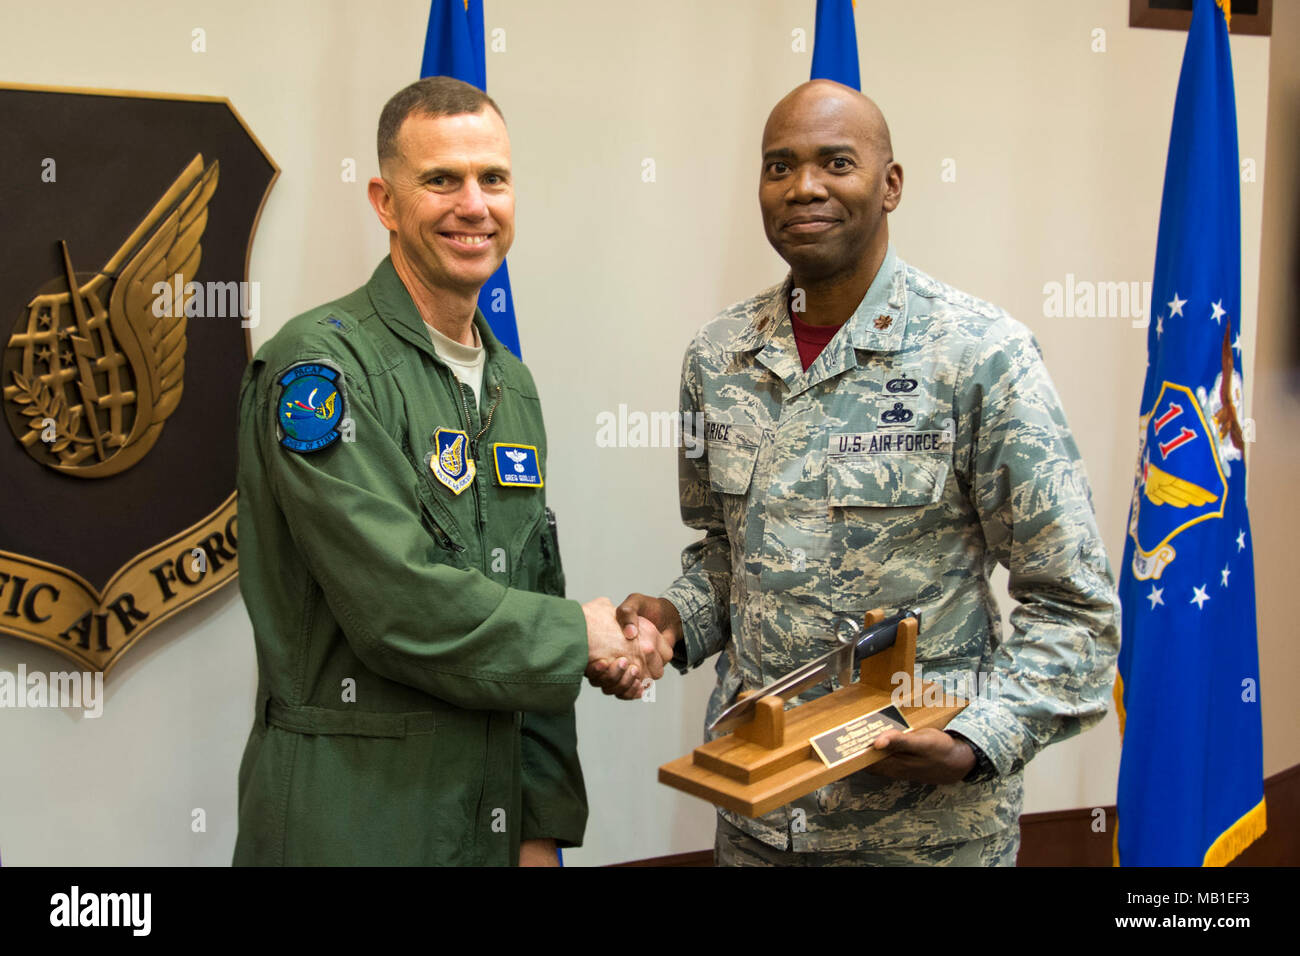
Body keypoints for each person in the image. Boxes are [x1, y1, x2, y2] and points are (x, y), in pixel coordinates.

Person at [598, 80, 1121, 866]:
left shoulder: (979, 356)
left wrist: (981, 738)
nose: (804, 186)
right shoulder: (719, 356)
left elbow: (1076, 607)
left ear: (891, 183)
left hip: (922, 834)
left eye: (835, 162)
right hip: (760, 820)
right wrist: (674, 622)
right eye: (780, 167)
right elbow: (726, 555)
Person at [233, 76, 664, 867]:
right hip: (355, 819)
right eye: (441, 179)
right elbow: (397, 606)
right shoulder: (321, 369)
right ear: (385, 201)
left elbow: (528, 596)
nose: (475, 205)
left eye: (493, 178)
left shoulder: (511, 383)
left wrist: (540, 826)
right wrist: (582, 635)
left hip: (490, 822)